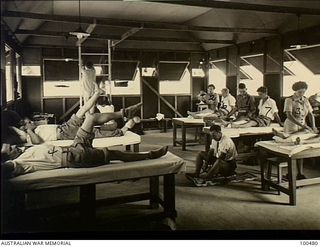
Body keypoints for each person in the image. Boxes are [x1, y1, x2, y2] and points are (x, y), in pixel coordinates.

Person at [1, 109, 168, 178]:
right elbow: (5, 168)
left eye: (12, 145)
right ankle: (149, 155)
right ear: (7, 158)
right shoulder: (18, 163)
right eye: (11, 149)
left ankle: (121, 113)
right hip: (75, 157)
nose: (15, 147)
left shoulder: (24, 150)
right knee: (113, 154)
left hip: (73, 147)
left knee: (91, 117)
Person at [12, 90, 142, 145]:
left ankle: (122, 112)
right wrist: (28, 129)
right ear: (24, 126)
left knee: (83, 111)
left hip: (64, 127)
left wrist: (28, 126)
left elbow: (14, 127)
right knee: (96, 130)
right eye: (29, 122)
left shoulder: (32, 128)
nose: (32, 121)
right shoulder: (27, 136)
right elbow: (37, 142)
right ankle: (124, 126)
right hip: (65, 134)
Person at [272, 81, 318, 180]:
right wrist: (302, 125)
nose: (302, 94)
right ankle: (290, 173)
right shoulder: (289, 100)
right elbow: (289, 115)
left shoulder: (305, 100)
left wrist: (313, 127)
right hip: (291, 126)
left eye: (303, 92)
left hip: (302, 127)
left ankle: (300, 174)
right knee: (291, 150)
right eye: (300, 92)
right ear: (295, 91)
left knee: (300, 149)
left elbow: (310, 114)